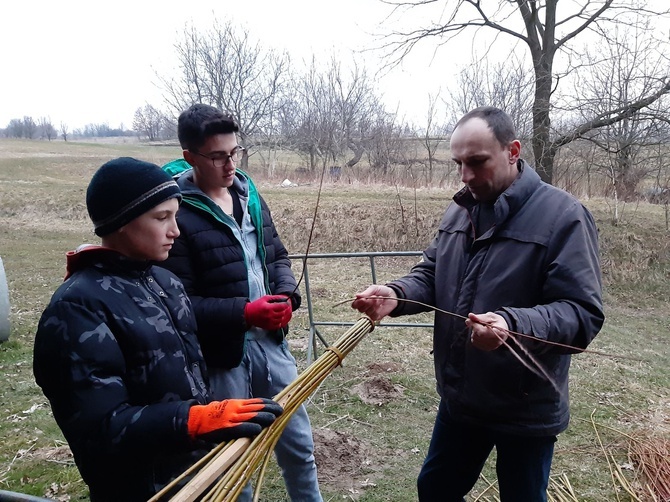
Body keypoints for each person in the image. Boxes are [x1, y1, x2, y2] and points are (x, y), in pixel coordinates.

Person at [351, 107, 604, 502]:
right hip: (462, 397)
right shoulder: (462, 207)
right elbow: (433, 273)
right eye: (458, 164)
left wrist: (510, 327)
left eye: (477, 162)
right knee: (435, 489)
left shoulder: (564, 216)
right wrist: (397, 295)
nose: (465, 176)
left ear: (513, 151)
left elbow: (581, 313)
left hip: (525, 406)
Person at [33, 158, 283, 502]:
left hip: (197, 474)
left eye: (175, 215)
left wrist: (209, 416)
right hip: (143, 490)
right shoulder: (78, 308)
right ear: (122, 222)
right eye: (161, 218)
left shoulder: (166, 283)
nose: (175, 231)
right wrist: (192, 420)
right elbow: (99, 428)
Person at [161, 104, 322, 502]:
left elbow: (277, 255)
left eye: (235, 152)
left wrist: (286, 295)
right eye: (218, 156)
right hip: (225, 358)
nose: (230, 163)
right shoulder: (177, 214)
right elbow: (179, 304)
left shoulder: (250, 196)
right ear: (190, 157)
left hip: (273, 345)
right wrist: (243, 313)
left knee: (299, 446)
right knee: (236, 458)